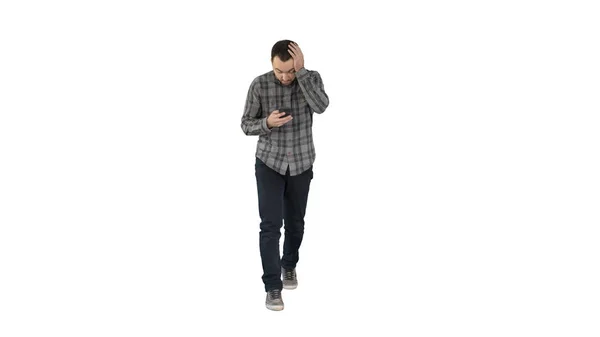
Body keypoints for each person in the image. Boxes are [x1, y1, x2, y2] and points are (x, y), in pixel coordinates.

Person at [241, 40, 329, 311]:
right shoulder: (259, 84)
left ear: (297, 64)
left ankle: (288, 265)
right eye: (280, 71)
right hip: (269, 163)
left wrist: (302, 73)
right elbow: (245, 125)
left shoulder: (310, 79)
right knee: (270, 225)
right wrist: (266, 123)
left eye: (290, 70)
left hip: (301, 162)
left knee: (296, 222)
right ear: (272, 63)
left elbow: (321, 106)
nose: (285, 76)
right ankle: (272, 287)